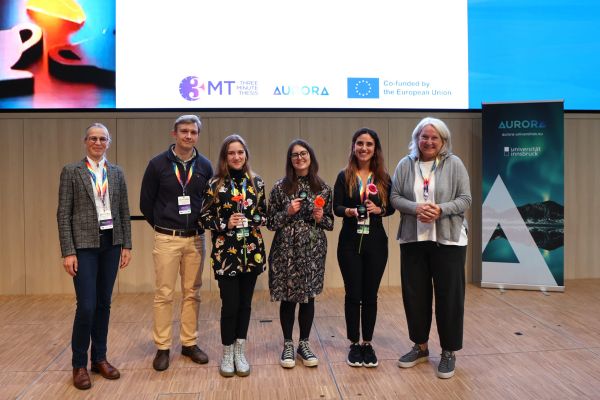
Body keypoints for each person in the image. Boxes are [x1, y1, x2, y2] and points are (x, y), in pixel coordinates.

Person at [390, 117, 471, 379]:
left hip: (449, 242)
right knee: (415, 296)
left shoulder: (454, 163)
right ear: (416, 139)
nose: (429, 141)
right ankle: (420, 347)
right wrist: (416, 208)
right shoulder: (405, 164)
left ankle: (448, 351)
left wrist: (440, 209)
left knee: (450, 298)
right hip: (414, 240)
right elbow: (394, 197)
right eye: (424, 136)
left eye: (434, 137)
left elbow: (465, 199)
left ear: (443, 141)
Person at [57, 123, 132, 390]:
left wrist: (126, 245)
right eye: (93, 138)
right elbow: (63, 214)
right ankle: (78, 364)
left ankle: (99, 358)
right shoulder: (71, 171)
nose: (98, 143)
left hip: (111, 244)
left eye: (102, 139)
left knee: (103, 304)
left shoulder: (117, 172)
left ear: (108, 142)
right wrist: (68, 251)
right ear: (85, 141)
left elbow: (123, 211)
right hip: (84, 247)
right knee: (86, 306)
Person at [140, 115, 213, 371]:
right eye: (184, 131)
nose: (188, 136)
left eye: (193, 132)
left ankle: (189, 343)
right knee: (164, 294)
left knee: (193, 293)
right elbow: (146, 203)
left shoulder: (204, 166)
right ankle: (162, 347)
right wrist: (164, 226)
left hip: (195, 239)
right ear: (175, 134)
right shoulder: (157, 164)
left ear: (198, 135)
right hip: (167, 238)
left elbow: (209, 202)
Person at [199, 134, 267, 377]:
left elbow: (264, 215)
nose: (236, 157)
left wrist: (254, 219)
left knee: (245, 305)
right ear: (224, 157)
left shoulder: (257, 182)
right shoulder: (215, 183)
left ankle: (240, 351)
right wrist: (225, 223)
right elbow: (203, 218)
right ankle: (227, 353)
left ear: (246, 154)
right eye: (231, 153)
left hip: (252, 253)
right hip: (226, 256)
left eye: (240, 152)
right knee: (230, 305)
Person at [267, 139, 334, 369]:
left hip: (312, 250)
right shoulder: (279, 188)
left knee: (308, 296)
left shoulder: (323, 188)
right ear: (290, 160)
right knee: (288, 297)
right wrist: (287, 212)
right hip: (285, 250)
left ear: (310, 156)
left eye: (303, 153)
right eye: (295, 155)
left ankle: (304, 343)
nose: (299, 158)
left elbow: (330, 223)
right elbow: (270, 223)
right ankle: (288, 343)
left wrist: (320, 218)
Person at [333, 127, 395, 368]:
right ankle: (353, 344)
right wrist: (349, 211)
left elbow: (392, 207)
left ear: (375, 148)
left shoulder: (383, 178)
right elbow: (336, 207)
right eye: (359, 143)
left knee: (370, 295)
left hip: (376, 243)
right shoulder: (344, 176)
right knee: (353, 294)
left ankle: (367, 343)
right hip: (349, 243)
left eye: (369, 144)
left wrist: (380, 210)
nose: (364, 148)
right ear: (353, 146)